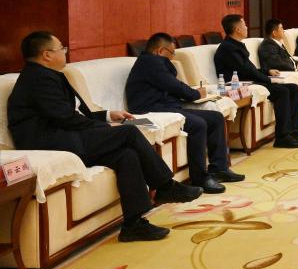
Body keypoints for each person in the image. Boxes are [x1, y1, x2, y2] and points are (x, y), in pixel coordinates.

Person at [7, 31, 201, 242]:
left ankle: (133, 225)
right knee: (129, 131)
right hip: (53, 142)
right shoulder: (38, 79)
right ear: (47, 55)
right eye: (62, 48)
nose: (65, 52)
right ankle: (165, 186)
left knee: (126, 155)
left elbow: (78, 114)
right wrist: (105, 127)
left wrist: (108, 115)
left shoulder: (50, 75)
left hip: (68, 134)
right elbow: (65, 118)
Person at [125, 33, 245, 194]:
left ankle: (219, 169)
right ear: (160, 51)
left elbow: (173, 85)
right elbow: (174, 85)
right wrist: (196, 94)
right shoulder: (150, 63)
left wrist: (193, 94)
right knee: (198, 124)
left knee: (215, 117)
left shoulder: (152, 61)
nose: (173, 56)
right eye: (172, 52)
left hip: (164, 106)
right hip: (149, 110)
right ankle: (200, 178)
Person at [214, 14, 298, 149]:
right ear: (237, 29)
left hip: (249, 79)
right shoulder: (228, 48)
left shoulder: (236, 45)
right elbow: (246, 71)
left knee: (293, 87)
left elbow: (249, 68)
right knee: (282, 91)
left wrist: (267, 72)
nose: (247, 27)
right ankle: (282, 137)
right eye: (244, 25)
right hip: (239, 85)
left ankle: (293, 130)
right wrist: (268, 79)